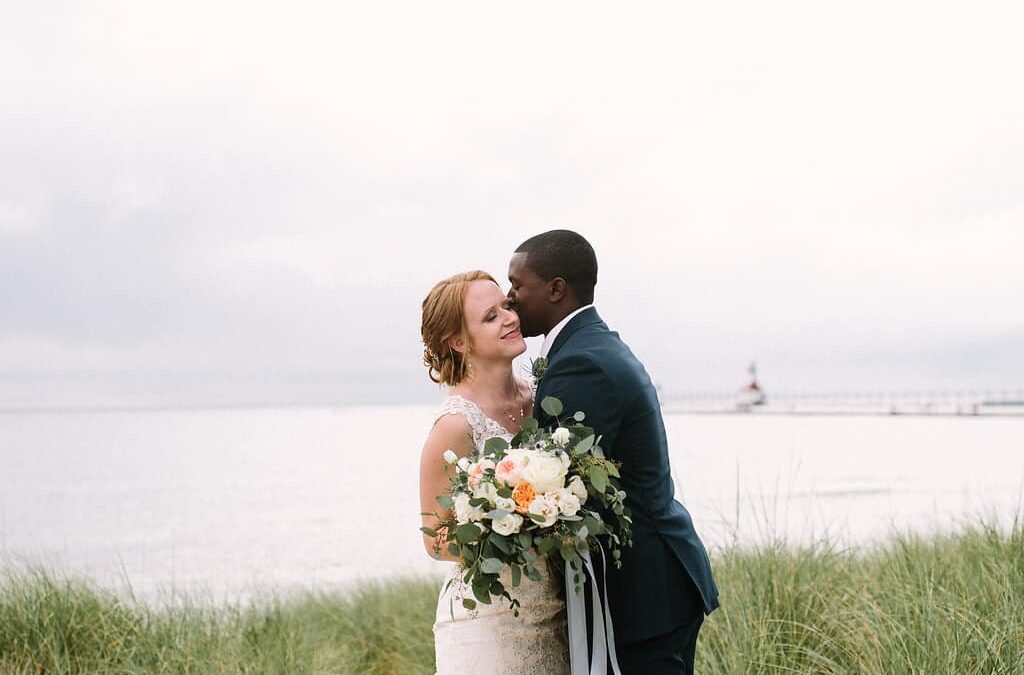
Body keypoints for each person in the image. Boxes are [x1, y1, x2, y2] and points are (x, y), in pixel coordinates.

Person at [508, 230, 720, 675]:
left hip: (648, 595)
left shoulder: (582, 363)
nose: (511, 299)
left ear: (556, 289)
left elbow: (563, 482)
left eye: (517, 284)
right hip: (657, 582)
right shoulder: (591, 345)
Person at [419, 270, 571, 675]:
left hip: (553, 608)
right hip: (485, 621)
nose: (509, 317)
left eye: (506, 305)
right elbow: (437, 540)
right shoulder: (455, 425)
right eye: (490, 316)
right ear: (458, 341)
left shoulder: (540, 397)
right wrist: (509, 526)